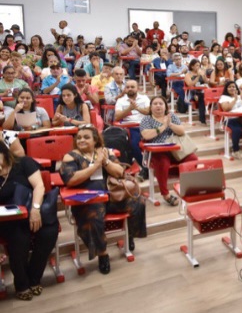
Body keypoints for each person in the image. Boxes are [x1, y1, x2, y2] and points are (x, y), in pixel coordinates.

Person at [60, 125, 147, 273]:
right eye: (79, 138)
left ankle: (130, 234)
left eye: (86, 137)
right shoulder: (71, 156)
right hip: (87, 201)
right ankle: (102, 254)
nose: (81, 140)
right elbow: (70, 180)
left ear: (95, 140)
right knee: (94, 215)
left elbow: (120, 172)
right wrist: (95, 165)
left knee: (138, 201)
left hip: (111, 196)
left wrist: (105, 161)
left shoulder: (105, 151)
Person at [0, 141, 59, 300]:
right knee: (19, 238)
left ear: (4, 153)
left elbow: (39, 186)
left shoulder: (23, 163)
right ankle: (21, 283)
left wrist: (35, 209)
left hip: (32, 208)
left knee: (49, 231)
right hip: (8, 219)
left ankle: (34, 277)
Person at [140, 96, 198, 206]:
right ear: (150, 107)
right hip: (157, 151)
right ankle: (165, 194)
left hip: (175, 150)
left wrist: (170, 124)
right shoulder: (146, 119)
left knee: (193, 159)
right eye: (155, 104)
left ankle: (188, 187)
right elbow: (146, 135)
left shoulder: (171, 116)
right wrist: (163, 126)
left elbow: (181, 131)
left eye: (161, 103)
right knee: (163, 162)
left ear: (165, 106)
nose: (158, 106)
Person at [115, 80, 150, 170]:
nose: (130, 89)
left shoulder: (144, 98)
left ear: (137, 88)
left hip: (145, 126)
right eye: (128, 87)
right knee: (134, 145)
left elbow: (149, 112)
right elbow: (117, 117)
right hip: (130, 127)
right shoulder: (120, 101)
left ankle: (151, 166)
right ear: (125, 89)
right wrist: (129, 108)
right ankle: (145, 167)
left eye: (132, 87)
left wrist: (137, 108)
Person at [219, 81, 242, 160]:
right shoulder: (224, 97)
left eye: (233, 87)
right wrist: (235, 99)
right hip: (231, 119)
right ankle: (235, 150)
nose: (232, 88)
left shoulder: (240, 96)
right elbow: (226, 108)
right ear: (226, 89)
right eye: (229, 87)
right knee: (237, 130)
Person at [184, 58, 207, 124]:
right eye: (197, 65)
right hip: (191, 92)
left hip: (201, 90)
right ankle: (202, 119)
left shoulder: (201, 72)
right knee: (201, 97)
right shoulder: (188, 74)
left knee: (203, 95)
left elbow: (206, 82)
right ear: (192, 66)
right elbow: (190, 84)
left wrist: (203, 75)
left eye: (199, 65)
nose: (198, 67)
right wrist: (198, 76)